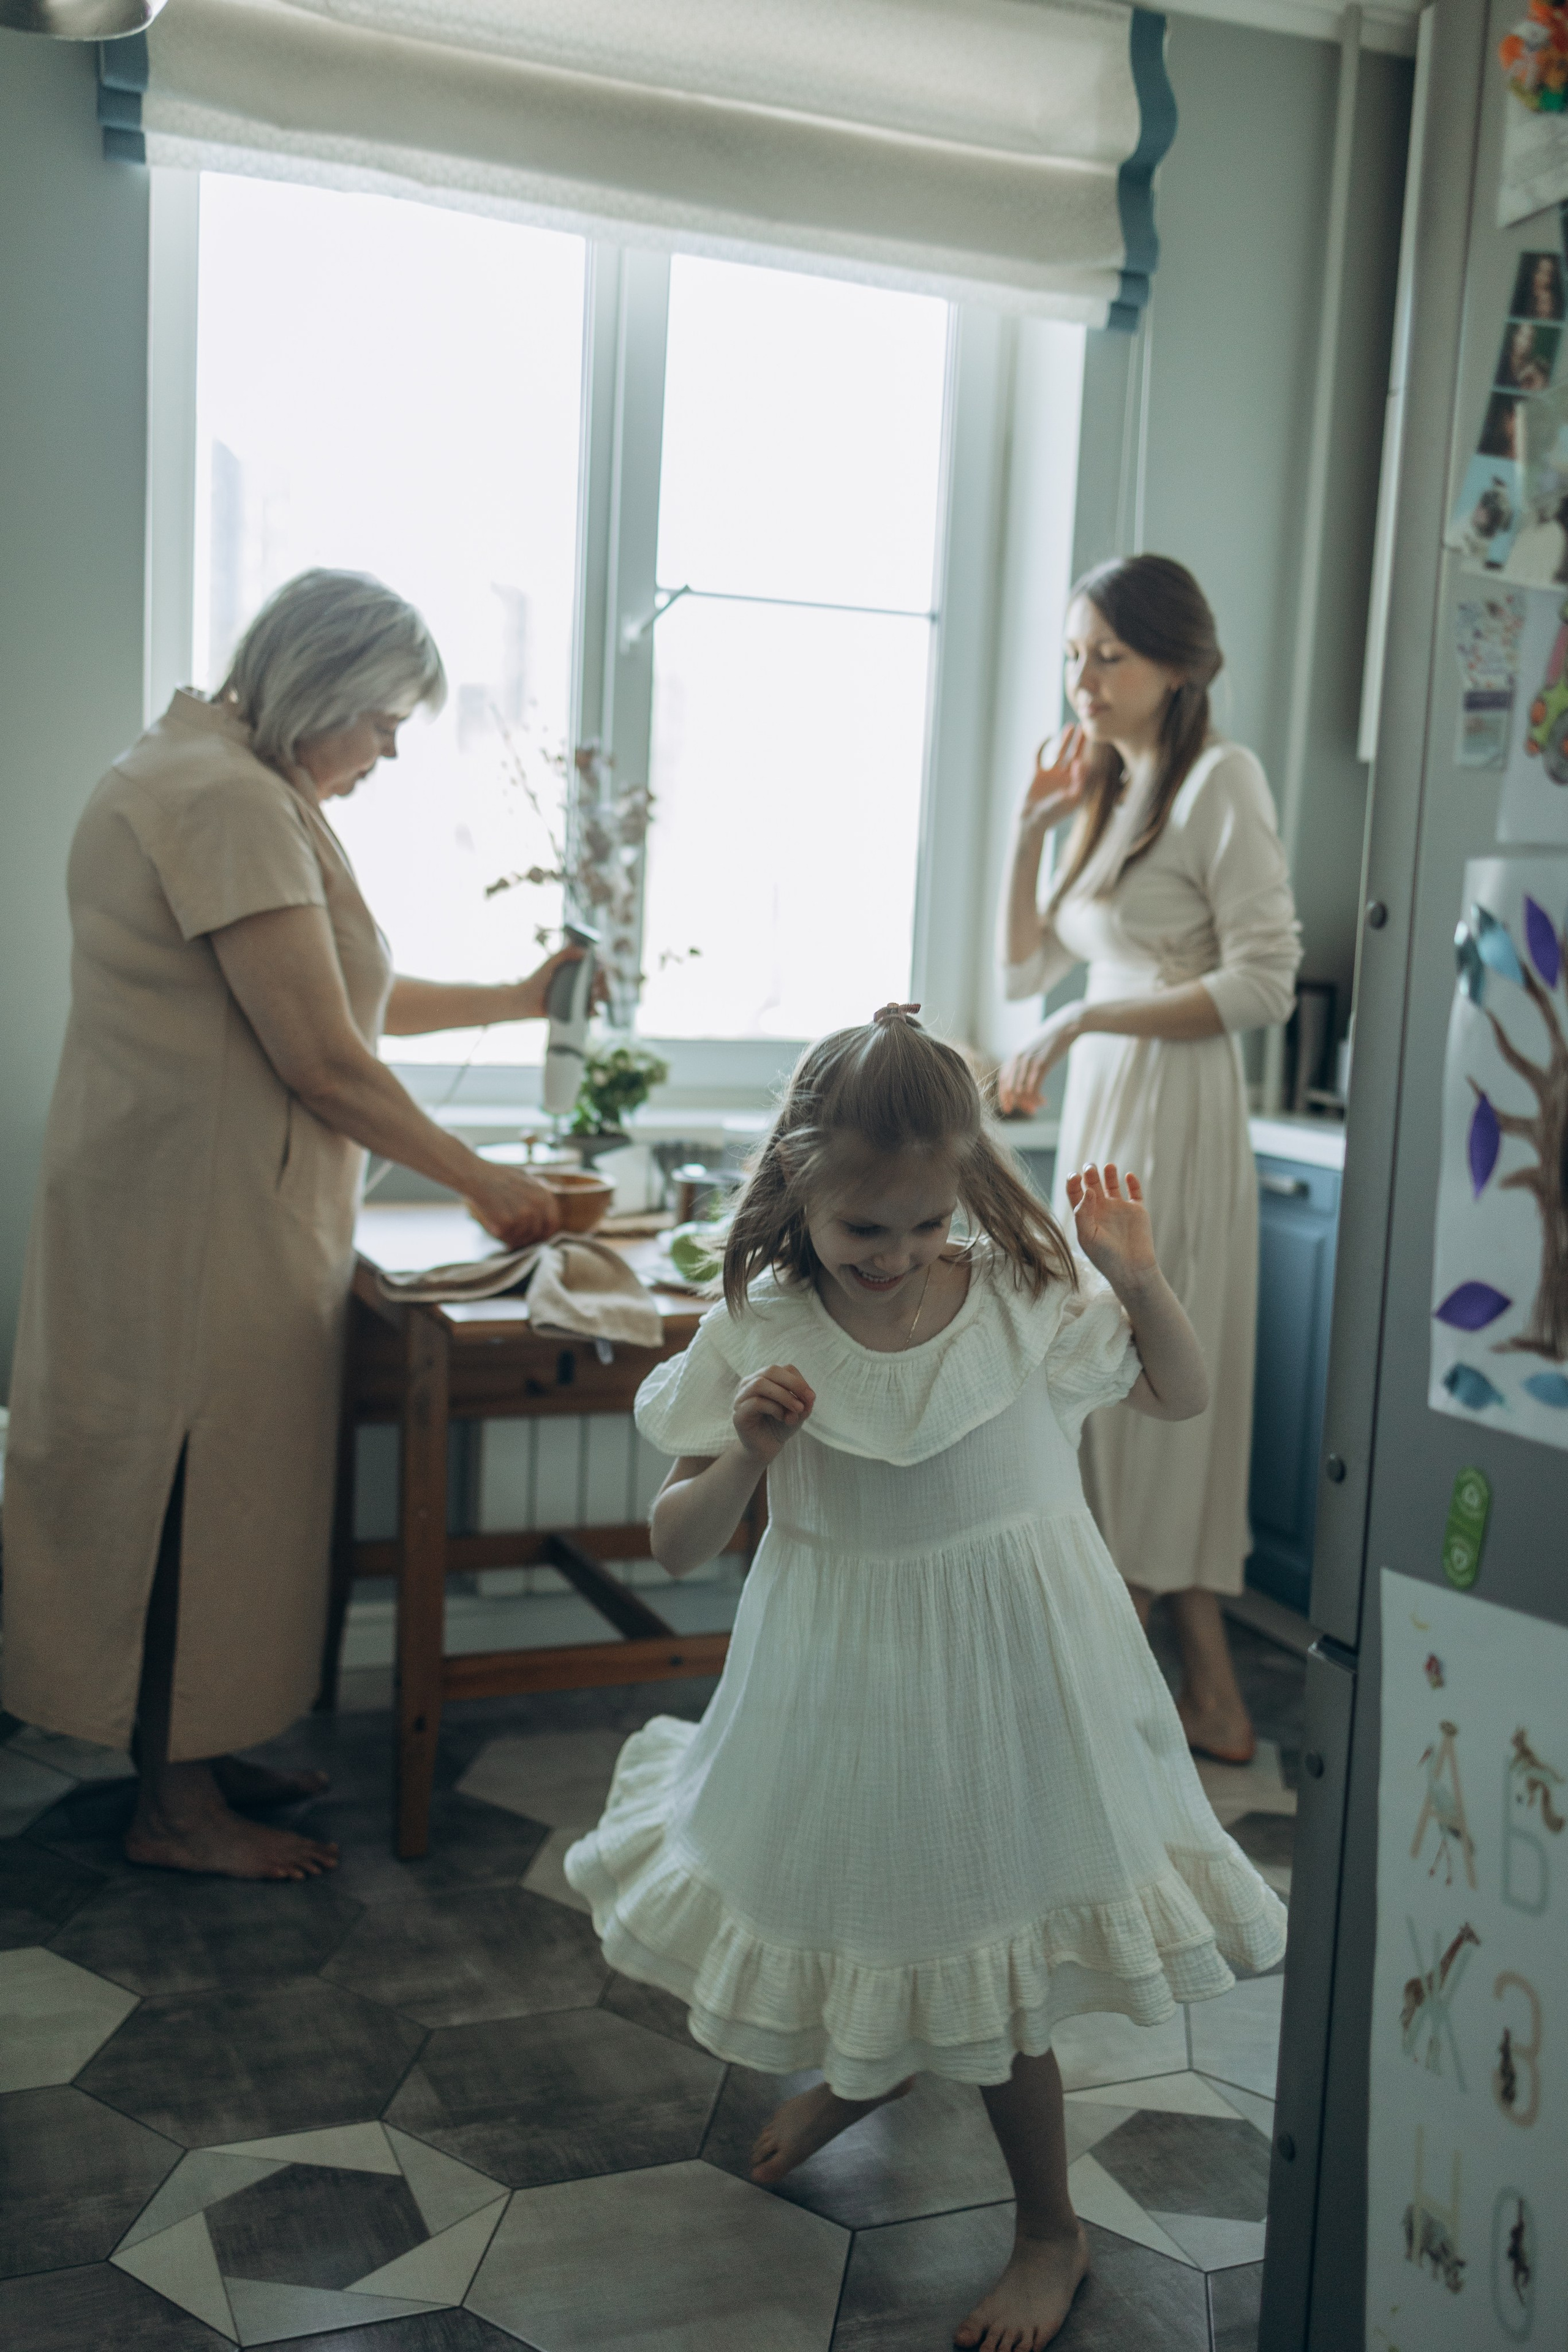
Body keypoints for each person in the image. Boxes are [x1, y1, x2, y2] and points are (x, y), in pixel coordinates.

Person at [565, 1009, 1286, 2351]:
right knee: (863, 1886)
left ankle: (1047, 2231)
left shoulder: (1019, 1293)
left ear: (962, 1189)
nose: (896, 1260)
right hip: (840, 1666)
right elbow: (676, 1540)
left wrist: (1135, 1276)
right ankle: (872, 2065)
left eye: (922, 1226)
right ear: (800, 1196)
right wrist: (745, 1451)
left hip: (1017, 1662)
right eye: (863, 1235)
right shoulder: (761, 1323)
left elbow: (1178, 1396)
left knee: (992, 1943)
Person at [3, 569, 578, 1883]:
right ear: (325, 691)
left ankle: (188, 1754)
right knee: (194, 1498)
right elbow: (322, 1057)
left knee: (211, 1495)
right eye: (384, 724)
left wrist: (508, 996)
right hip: (198, 1228)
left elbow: (331, 991)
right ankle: (175, 1807)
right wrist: (478, 1176)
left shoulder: (211, 779)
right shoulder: (226, 802)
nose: (386, 754)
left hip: (188, 1209)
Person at [996, 556, 1302, 1765]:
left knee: (1142, 1380)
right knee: (1105, 1383)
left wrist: (1084, 1023)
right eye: (1073, 654)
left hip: (1172, 1111)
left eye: (1107, 656)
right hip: (1106, 1108)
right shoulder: (1101, 787)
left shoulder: (1221, 780)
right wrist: (1027, 831)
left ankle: (1101, 1713)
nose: (1083, 678)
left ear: (1178, 665)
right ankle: (1204, 1702)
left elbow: (1263, 983)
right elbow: (1023, 973)